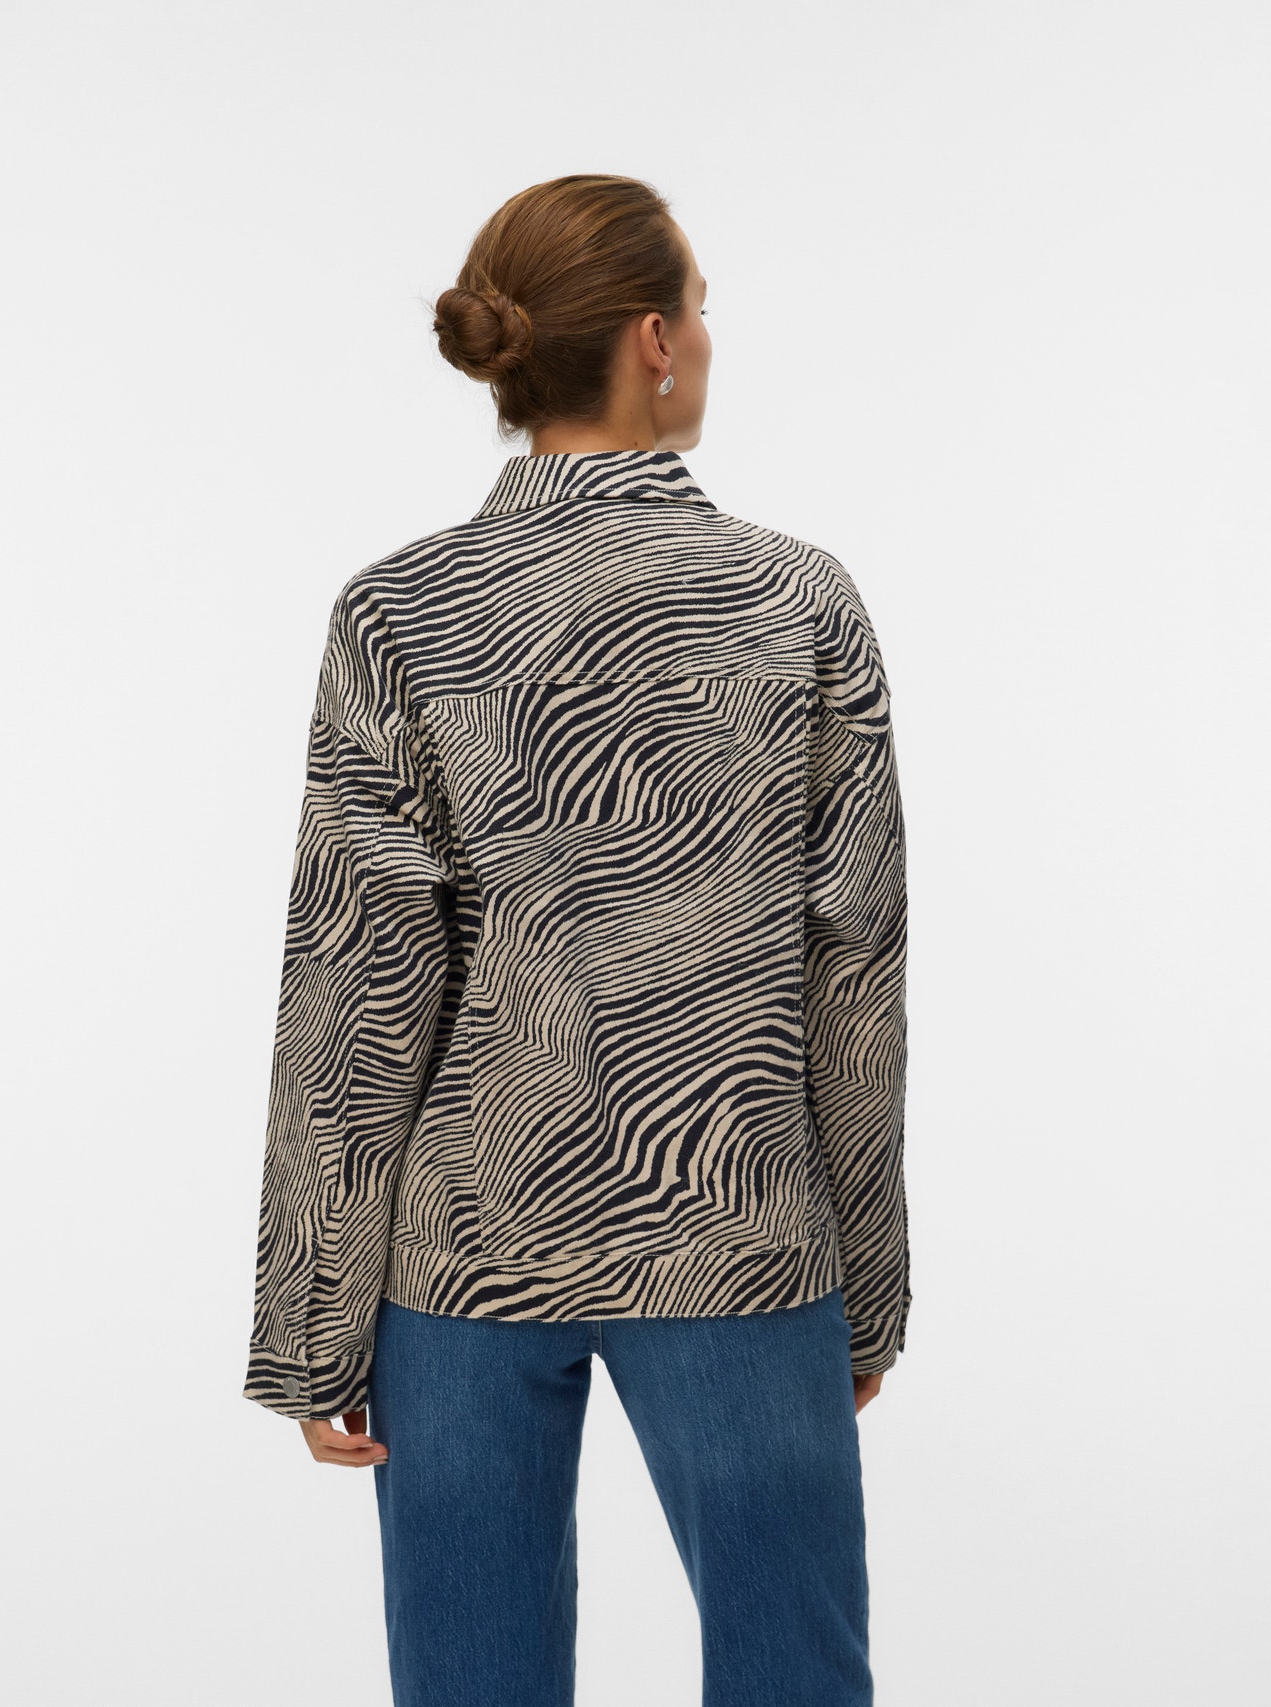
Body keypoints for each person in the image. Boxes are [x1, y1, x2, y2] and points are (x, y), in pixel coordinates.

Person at [241, 172, 911, 1707]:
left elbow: (354, 978)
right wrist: (866, 1286)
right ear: (656, 342)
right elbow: (854, 969)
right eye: (703, 314)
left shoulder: (398, 612)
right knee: (798, 1681)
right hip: (740, 1232)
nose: (708, 342)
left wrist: (312, 1322)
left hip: (465, 1244)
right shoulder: (800, 602)